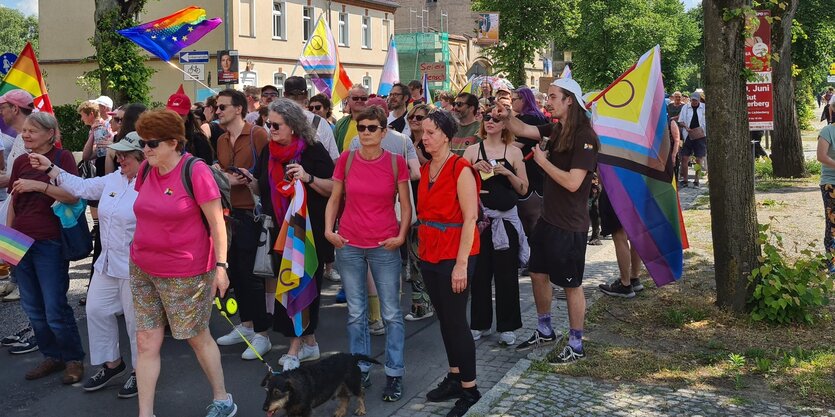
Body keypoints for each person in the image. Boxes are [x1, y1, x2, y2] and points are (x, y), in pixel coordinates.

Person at [131, 109, 236, 417]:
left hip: (185, 271)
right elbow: (148, 210)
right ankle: (145, 414)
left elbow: (217, 223)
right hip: (142, 266)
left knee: (195, 337)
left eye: (152, 143)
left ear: (174, 142)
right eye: (142, 142)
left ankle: (222, 399)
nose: (146, 149)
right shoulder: (146, 170)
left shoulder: (196, 171)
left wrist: (222, 266)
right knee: (146, 341)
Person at [30, 131, 145, 398]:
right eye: (118, 153)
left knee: (136, 323)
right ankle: (112, 364)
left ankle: (142, 372)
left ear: (143, 156)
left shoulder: (151, 182)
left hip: (136, 266)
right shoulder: (114, 178)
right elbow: (81, 187)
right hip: (106, 263)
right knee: (96, 311)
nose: (119, 158)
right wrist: (50, 168)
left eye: (126, 154)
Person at [493, 78, 599, 364]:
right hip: (548, 220)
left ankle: (576, 343)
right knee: (538, 274)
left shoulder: (584, 136)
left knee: (571, 285)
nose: (547, 101)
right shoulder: (557, 128)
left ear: (569, 101)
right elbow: (523, 129)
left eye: (553, 96)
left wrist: (542, 162)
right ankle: (545, 328)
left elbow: (574, 182)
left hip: (570, 225)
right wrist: (508, 114)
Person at [325, 105, 411, 402]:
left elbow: (406, 203)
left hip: (383, 244)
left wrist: (400, 235)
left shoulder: (396, 162)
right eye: (361, 128)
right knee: (355, 313)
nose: (365, 133)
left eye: (372, 128)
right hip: (349, 243)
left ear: (383, 131)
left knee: (391, 313)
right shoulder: (347, 160)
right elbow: (335, 197)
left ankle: (394, 373)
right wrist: (328, 230)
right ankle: (359, 369)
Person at [251, 98, 334, 372]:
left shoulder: (312, 151)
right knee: (286, 287)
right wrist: (246, 180)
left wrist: (307, 178)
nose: (270, 128)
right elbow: (263, 186)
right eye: (268, 123)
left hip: (307, 233)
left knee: (301, 286)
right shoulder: (269, 151)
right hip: (278, 232)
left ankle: (295, 348)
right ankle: (309, 343)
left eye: (276, 125)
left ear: (294, 126)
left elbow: (334, 188)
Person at [9, 112, 85, 384]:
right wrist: (7, 240)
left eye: (32, 131)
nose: (25, 134)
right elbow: (14, 203)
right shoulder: (19, 161)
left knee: (55, 306)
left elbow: (73, 195)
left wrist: (39, 186)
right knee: (32, 307)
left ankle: (73, 359)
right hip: (20, 241)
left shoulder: (61, 159)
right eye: (25, 130)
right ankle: (51, 356)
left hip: (50, 242)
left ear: (50, 134)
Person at [416, 109, 482, 417]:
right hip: (430, 251)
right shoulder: (428, 167)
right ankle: (455, 376)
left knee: (457, 321)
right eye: (423, 132)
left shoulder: (461, 168)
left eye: (430, 132)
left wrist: (461, 264)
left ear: (446, 135)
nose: (424, 137)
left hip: (456, 252)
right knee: (444, 319)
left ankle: (470, 389)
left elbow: (470, 217)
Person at [212, 89, 272, 361]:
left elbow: (266, 173)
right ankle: (246, 325)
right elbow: (221, 174)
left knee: (252, 276)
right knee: (236, 271)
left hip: (253, 212)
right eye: (216, 107)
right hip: (228, 212)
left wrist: (231, 178)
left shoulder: (258, 134)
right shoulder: (222, 138)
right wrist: (225, 177)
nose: (217, 111)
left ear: (239, 108)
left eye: (222, 106)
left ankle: (262, 334)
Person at [462, 107, 529, 346]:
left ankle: (507, 327)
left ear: (504, 125)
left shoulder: (513, 152)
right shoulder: (472, 151)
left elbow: (523, 188)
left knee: (506, 275)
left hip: (505, 221)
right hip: (481, 221)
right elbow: (457, 183)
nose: (490, 121)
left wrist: (507, 174)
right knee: (480, 274)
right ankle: (479, 323)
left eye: (496, 119)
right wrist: (473, 170)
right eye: (487, 117)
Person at [0, 90, 35, 306]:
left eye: (4, 107)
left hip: (24, 206)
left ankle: (23, 284)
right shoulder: (20, 137)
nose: (0, 112)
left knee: (18, 243)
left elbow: (19, 176)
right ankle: (17, 280)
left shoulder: (26, 138)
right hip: (16, 203)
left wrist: (5, 180)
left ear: (15, 109)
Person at [510, 86, 550, 239]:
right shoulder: (539, 116)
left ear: (524, 100)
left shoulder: (529, 118)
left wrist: (494, 148)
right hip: (537, 169)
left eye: (514, 100)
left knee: (531, 217)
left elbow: (517, 145)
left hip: (529, 170)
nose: (512, 103)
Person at [596, 188, 644, 298]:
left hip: (616, 189)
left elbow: (602, 174)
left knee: (619, 235)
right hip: (637, 187)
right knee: (635, 234)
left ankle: (625, 284)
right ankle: (634, 277)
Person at [282, 76, 339, 161]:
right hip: (314, 173)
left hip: (284, 172)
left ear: (285, 95)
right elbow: (334, 159)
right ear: (306, 94)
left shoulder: (276, 121)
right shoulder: (320, 122)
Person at [166, 85, 215, 163]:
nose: (175, 119)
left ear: (188, 117)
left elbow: (206, 168)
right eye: (172, 114)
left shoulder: (198, 140)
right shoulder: (158, 139)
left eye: (180, 115)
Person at [678, 92, 707, 188]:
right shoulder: (685, 107)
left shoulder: (704, 107)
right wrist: (686, 127)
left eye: (695, 100)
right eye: (692, 100)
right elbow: (680, 121)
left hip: (700, 136)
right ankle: (685, 180)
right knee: (685, 158)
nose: (693, 102)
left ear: (699, 100)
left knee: (699, 158)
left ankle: (696, 180)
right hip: (688, 135)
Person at [818, 121, 835, 273]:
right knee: (833, 223)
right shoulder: (828, 131)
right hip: (831, 184)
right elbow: (821, 156)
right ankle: (833, 262)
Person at [334, 84, 370, 152]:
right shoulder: (340, 124)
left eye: (363, 98)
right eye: (355, 98)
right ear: (348, 100)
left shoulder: (374, 122)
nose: (359, 100)